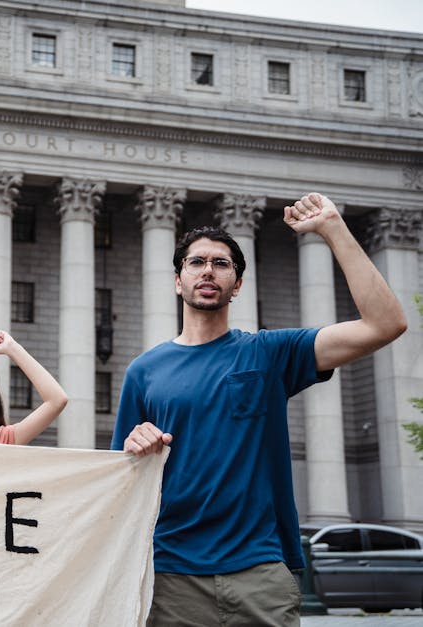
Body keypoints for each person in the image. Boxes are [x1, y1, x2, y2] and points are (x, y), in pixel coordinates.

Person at [111, 193, 407, 626]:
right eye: (196, 263)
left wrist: (333, 229)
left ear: (238, 284)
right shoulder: (144, 371)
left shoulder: (269, 353)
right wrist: (135, 447)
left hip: (260, 573)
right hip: (171, 574)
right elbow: (121, 479)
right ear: (178, 280)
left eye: (222, 263)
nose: (208, 270)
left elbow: (386, 324)